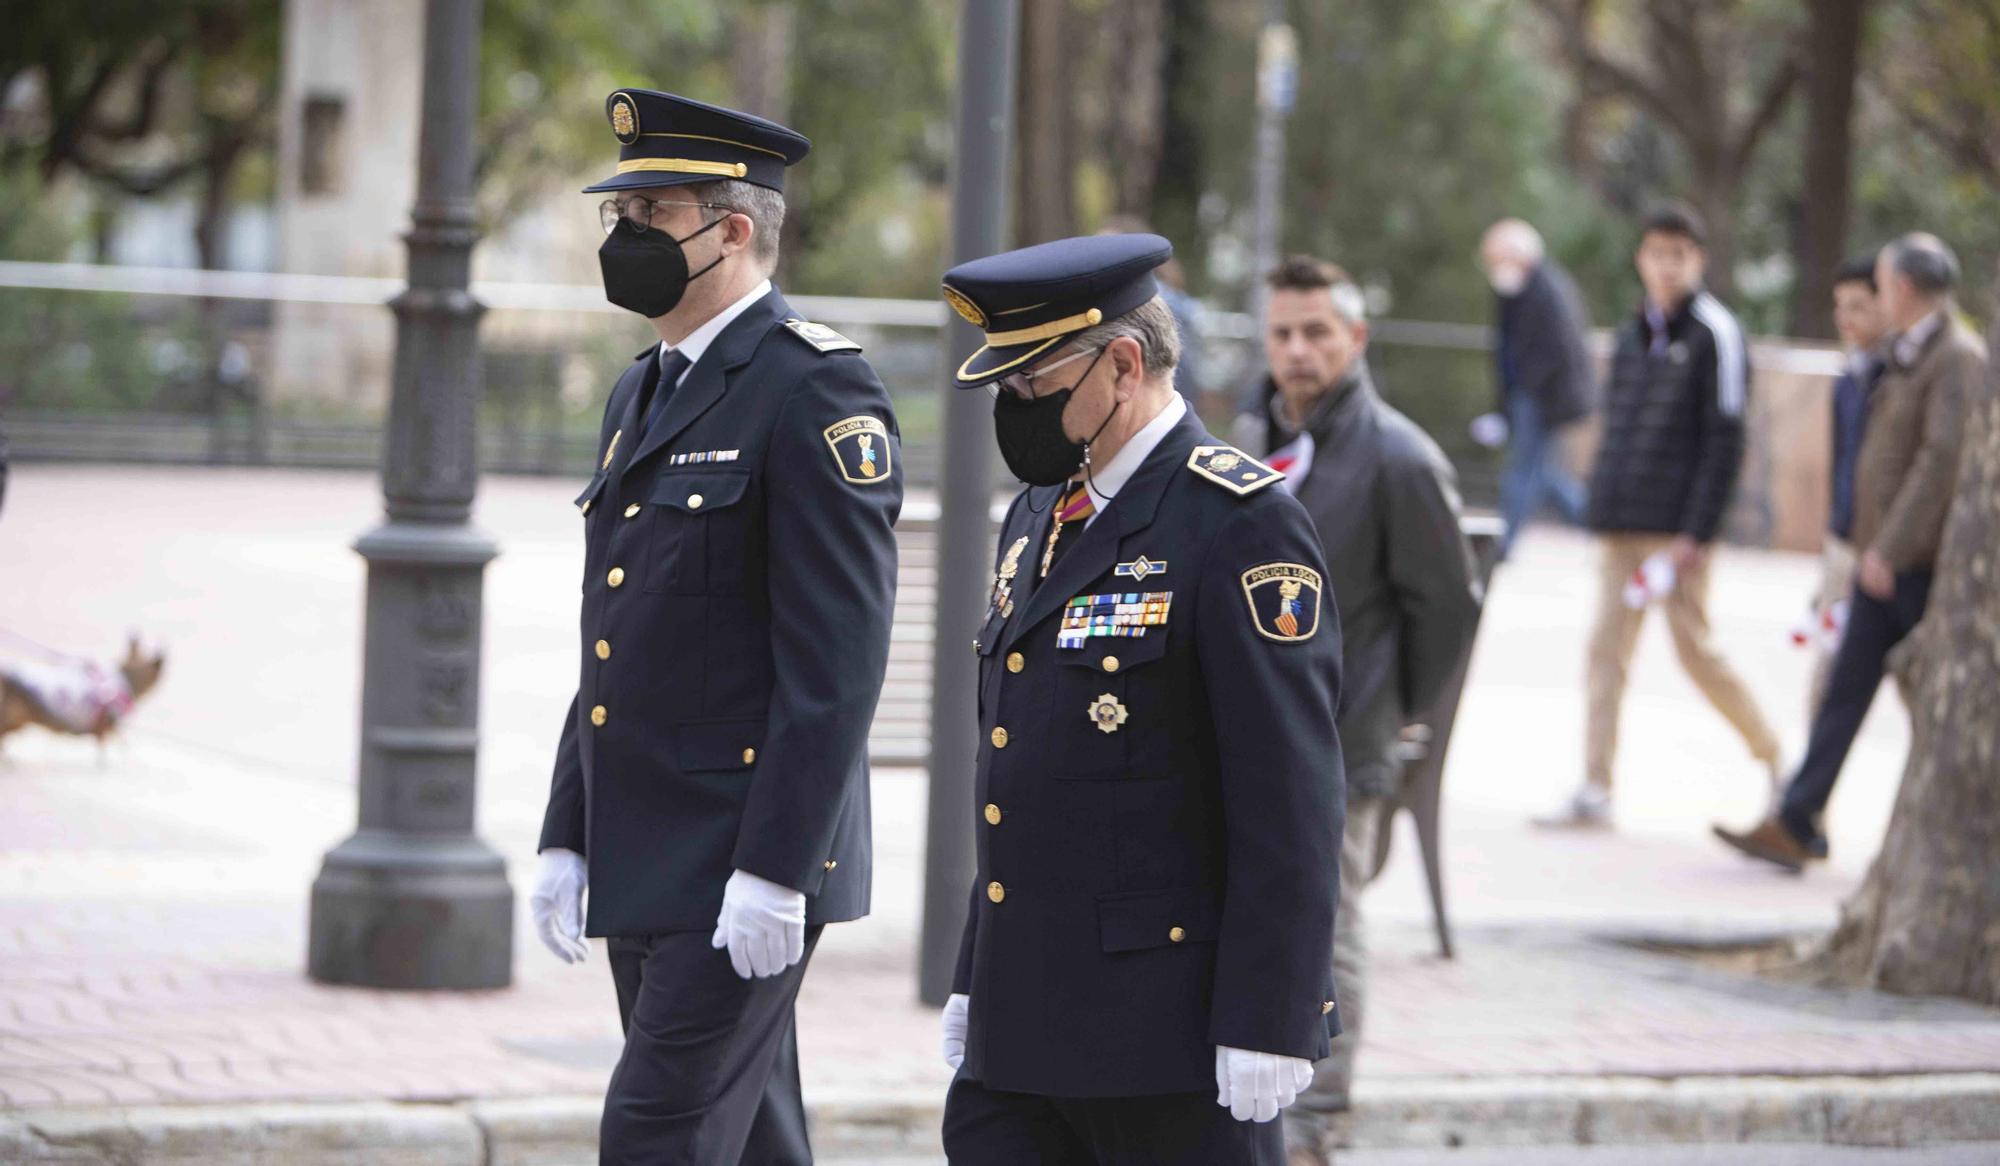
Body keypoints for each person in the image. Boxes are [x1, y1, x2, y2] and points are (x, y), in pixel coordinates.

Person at [528, 89, 903, 1166]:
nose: (625, 237)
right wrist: (568, 825)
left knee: (656, 1129)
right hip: (645, 840)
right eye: (619, 216)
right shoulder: (642, 390)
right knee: (746, 1140)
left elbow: (835, 661)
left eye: (650, 214)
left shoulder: (813, 389)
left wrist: (779, 865)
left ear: (731, 230)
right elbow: (617, 634)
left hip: (741, 849)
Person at [933, 233, 1345, 1165]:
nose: (1015, 408)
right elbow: (1015, 765)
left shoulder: (1238, 521)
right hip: (1023, 1024)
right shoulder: (1040, 509)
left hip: (1167, 1039)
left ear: (1123, 364)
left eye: (1032, 386)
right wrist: (975, 974)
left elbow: (1291, 794)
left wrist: (1272, 1012)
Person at [1247, 256, 1482, 1166]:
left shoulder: (1399, 460)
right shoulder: (1256, 437)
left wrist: (1397, 709)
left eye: (1317, 333)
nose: (1298, 352)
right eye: (1282, 334)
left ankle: (1314, 1125)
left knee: (1329, 931)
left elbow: (1447, 610)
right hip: (1254, 739)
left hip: (1343, 742)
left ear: (1357, 338)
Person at [1715, 233, 1986, 871]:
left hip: (1912, 565)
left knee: (1929, 702)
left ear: (1901, 289)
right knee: (1844, 691)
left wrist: (1889, 548)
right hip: (1875, 558)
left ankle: (1945, 839)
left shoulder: (1958, 358)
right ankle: (1796, 819)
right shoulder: (1900, 354)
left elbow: (1940, 461)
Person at [1537, 203, 1781, 829]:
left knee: (1696, 652)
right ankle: (1596, 786)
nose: (1666, 266)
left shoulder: (1716, 334)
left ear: (1697, 260)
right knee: (1605, 653)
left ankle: (1778, 762)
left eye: (1679, 254)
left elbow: (1725, 438)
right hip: (1623, 524)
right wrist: (1603, 505)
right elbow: (1618, 426)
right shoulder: (1631, 332)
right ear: (1641, 259)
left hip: (1677, 533)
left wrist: (1697, 533)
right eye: (1656, 253)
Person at [1805, 256, 1890, 715]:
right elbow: (1842, 463)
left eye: (1858, 306)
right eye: (1841, 307)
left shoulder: (1901, 375)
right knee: (1826, 669)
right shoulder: (1849, 376)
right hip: (1844, 540)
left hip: (1892, 547)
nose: (1846, 319)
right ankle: (1804, 786)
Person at [1479, 219, 1594, 558]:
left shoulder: (1548, 291)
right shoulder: (1515, 292)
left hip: (1541, 398)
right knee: (1542, 474)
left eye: (1498, 259)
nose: (1494, 268)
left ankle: (1505, 543)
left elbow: (1558, 352)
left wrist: (1526, 396)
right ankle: (1598, 522)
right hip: (1525, 396)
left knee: (1523, 471)